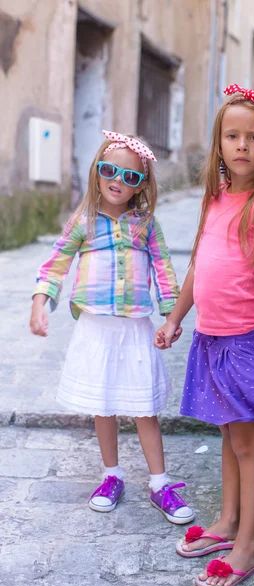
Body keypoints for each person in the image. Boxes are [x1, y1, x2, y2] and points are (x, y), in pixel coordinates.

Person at [154, 85, 254, 586]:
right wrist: (176, 317)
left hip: (247, 342)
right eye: (233, 136)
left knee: (247, 444)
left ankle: (248, 546)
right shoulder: (215, 197)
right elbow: (199, 266)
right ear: (219, 143)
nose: (242, 145)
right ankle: (227, 522)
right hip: (211, 338)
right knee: (228, 434)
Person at [30, 130, 193, 524]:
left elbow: (165, 270)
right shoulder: (83, 221)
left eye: (131, 176)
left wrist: (172, 317)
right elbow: (56, 263)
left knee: (143, 407)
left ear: (141, 186)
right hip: (96, 327)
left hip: (135, 327)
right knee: (103, 405)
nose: (118, 180)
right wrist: (40, 302)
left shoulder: (147, 225)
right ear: (97, 173)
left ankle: (159, 482)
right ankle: (111, 475)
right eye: (110, 171)